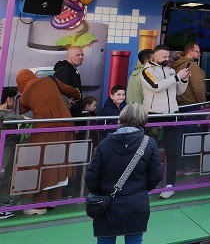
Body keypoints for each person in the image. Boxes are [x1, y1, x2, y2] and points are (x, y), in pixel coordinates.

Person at [85, 103, 163, 244]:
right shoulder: (149, 143)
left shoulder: (105, 143)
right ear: (143, 120)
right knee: (135, 240)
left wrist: (99, 192)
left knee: (105, 240)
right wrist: (141, 189)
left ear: (122, 118)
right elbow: (156, 175)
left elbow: (91, 177)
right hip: (137, 202)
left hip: (107, 203)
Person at [16, 69, 80, 214]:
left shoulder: (24, 96)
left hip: (45, 130)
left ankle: (39, 206)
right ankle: (52, 201)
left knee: (41, 165)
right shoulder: (50, 80)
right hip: (67, 127)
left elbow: (21, 111)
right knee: (59, 163)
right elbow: (73, 92)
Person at [141, 44, 189, 198]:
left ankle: (170, 184)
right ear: (154, 56)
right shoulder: (146, 71)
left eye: (168, 56)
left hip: (172, 113)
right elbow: (156, 86)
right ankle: (147, 183)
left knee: (172, 151)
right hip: (153, 114)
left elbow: (179, 91)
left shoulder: (171, 71)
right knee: (148, 150)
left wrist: (184, 79)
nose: (167, 59)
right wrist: (177, 77)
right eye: (164, 56)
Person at [0, 87, 23, 219]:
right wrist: (23, 118)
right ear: (8, 99)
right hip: (5, 148)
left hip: (7, 148)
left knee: (4, 176)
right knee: (2, 176)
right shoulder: (3, 114)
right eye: (13, 99)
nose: (14, 102)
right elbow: (8, 117)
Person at [173, 42, 206, 108]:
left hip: (178, 104)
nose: (200, 54)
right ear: (190, 52)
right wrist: (203, 103)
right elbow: (198, 88)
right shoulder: (192, 66)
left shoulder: (175, 66)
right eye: (198, 51)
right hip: (192, 106)